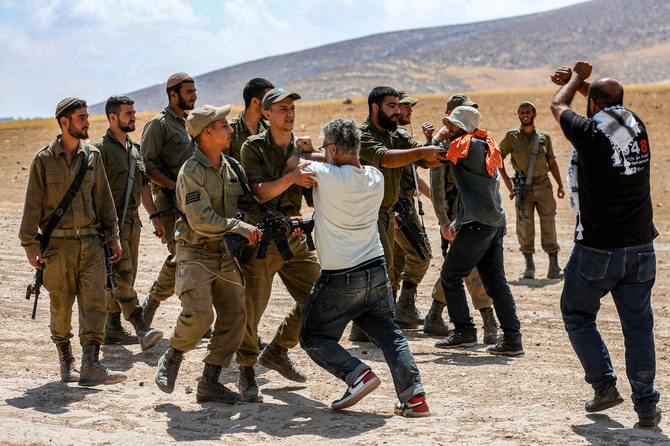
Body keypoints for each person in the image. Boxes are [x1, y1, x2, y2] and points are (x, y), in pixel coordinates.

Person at [550, 61, 661, 427]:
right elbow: (603, 104)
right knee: (638, 326)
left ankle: (604, 387)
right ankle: (646, 406)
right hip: (642, 247)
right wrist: (580, 84)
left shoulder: (590, 133)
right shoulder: (635, 125)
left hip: (599, 249)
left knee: (577, 314)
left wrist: (576, 78)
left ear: (593, 104)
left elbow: (557, 107)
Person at [299, 118, 430, 417]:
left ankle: (356, 374)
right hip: (376, 269)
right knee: (389, 334)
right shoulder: (375, 176)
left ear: (332, 148)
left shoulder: (325, 174)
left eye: (325, 148)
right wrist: (320, 153)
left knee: (312, 336)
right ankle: (415, 399)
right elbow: (334, 163)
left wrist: (305, 150)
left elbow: (299, 162)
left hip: (340, 276)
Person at [154, 104, 262, 403]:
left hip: (224, 253)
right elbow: (200, 220)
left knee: (236, 316)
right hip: (195, 252)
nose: (230, 130)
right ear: (207, 133)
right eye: (224, 125)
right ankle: (173, 356)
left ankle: (210, 381)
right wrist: (238, 226)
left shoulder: (231, 166)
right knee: (200, 316)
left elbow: (249, 204)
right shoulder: (190, 172)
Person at [19, 97, 126, 386]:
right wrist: (30, 244)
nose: (87, 122)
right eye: (81, 118)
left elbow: (104, 202)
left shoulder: (93, 156)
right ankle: (67, 364)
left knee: (95, 302)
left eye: (87, 117)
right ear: (64, 122)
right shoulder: (43, 160)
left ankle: (91, 365)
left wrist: (113, 237)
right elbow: (31, 207)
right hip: (57, 247)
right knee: (61, 305)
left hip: (91, 243)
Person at [234, 88, 321, 402]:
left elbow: (313, 195)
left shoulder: (302, 148)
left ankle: (278, 350)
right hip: (262, 240)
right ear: (266, 114)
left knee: (320, 295)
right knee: (251, 310)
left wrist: (315, 165)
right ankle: (245, 370)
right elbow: (258, 192)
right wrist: (292, 177)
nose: (290, 113)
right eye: (283, 108)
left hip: (295, 236)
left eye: (292, 108)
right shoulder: (252, 147)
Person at [350, 86, 447, 342]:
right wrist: (422, 153)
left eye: (397, 106)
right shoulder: (362, 135)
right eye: (391, 106)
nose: (397, 111)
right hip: (368, 213)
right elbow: (385, 159)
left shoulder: (396, 134)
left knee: (385, 269)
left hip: (388, 211)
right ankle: (377, 327)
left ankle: (363, 328)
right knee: (381, 269)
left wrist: (448, 153)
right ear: (375, 107)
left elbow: (423, 160)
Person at [435, 105, 523, 356]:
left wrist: (436, 137)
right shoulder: (484, 144)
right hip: (493, 222)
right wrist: (457, 221)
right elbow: (475, 193)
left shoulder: (466, 146)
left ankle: (464, 332)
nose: (447, 130)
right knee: (496, 283)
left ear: (461, 128)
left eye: (451, 126)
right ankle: (512, 339)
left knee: (451, 275)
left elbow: (433, 157)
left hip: (479, 226)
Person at [422, 94, 500, 344]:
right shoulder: (447, 146)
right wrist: (444, 218)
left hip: (474, 213)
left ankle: (435, 315)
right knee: (468, 269)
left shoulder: (474, 143)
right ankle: (488, 323)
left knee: (457, 268)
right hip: (457, 216)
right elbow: (436, 186)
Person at [93, 95, 164, 351]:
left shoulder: (134, 148)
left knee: (127, 274)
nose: (133, 116)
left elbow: (144, 184)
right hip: (111, 223)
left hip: (133, 221)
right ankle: (140, 324)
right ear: (113, 117)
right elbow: (92, 189)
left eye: (134, 112)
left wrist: (154, 216)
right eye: (128, 113)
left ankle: (112, 327)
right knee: (119, 274)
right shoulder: (99, 149)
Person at [140, 73, 197, 326]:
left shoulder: (190, 122)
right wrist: (175, 187)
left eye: (195, 91)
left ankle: (192, 315)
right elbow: (146, 165)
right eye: (189, 92)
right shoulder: (159, 124)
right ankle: (157, 305)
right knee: (182, 255)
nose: (194, 96)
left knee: (190, 256)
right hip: (170, 202)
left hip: (193, 201)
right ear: (173, 95)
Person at [499, 101, 565, 279]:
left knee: (549, 224)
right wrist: (507, 181)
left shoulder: (544, 137)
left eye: (528, 112)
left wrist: (560, 184)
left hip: (544, 185)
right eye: (521, 112)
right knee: (525, 225)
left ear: (534, 114)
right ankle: (529, 267)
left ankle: (554, 266)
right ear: (518, 115)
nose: (524, 115)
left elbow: (552, 162)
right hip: (523, 189)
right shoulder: (512, 137)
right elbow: (497, 157)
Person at [390, 90, 432, 329]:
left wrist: (433, 198)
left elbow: (413, 174)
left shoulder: (398, 136)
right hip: (399, 208)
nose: (409, 111)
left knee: (396, 261)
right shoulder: (397, 136)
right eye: (405, 107)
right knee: (421, 255)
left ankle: (392, 314)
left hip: (402, 203)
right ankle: (404, 308)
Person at [229, 78, 274, 161]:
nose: (273, 105)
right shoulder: (230, 130)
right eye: (269, 100)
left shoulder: (270, 130)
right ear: (255, 102)